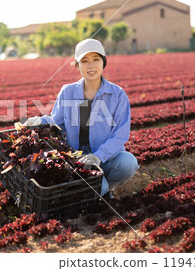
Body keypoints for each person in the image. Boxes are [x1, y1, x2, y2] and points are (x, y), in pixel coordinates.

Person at [23, 38, 138, 199]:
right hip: (77, 160)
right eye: (85, 61)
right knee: (98, 190)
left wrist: (98, 156)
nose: (91, 65)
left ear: (103, 62)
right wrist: (40, 121)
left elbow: (120, 135)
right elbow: (57, 121)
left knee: (128, 163)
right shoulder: (68, 92)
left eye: (96, 59)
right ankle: (101, 190)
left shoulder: (117, 95)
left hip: (106, 157)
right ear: (77, 66)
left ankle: (106, 187)